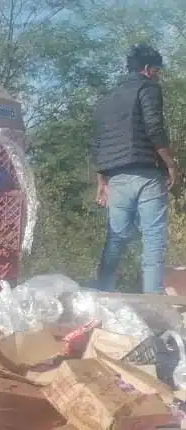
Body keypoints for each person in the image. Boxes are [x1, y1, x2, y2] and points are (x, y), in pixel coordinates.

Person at [90, 43, 178, 294]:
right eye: (158, 70)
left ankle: (103, 294)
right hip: (147, 175)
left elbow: (97, 141)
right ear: (148, 69)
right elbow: (154, 128)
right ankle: (153, 302)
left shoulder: (107, 99)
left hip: (116, 177)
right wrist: (171, 165)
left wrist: (102, 181)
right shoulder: (148, 88)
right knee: (152, 239)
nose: (159, 75)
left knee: (116, 237)